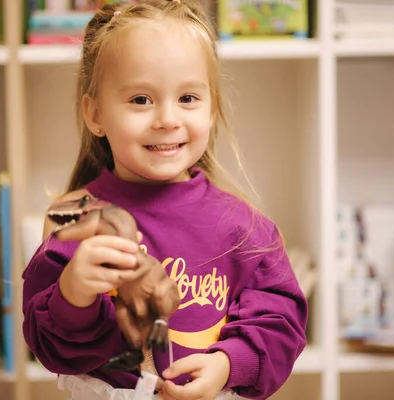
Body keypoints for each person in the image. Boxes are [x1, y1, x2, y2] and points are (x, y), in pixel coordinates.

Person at [21, 0, 308, 399]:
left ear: (211, 109)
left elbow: (281, 322)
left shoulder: (243, 227)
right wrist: (74, 293)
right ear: (95, 114)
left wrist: (229, 363)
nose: (167, 119)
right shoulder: (76, 220)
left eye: (188, 98)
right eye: (141, 100)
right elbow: (49, 348)